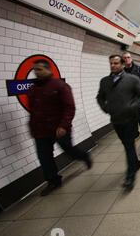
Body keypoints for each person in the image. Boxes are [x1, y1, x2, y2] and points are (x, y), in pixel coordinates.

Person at [27, 59, 92, 196]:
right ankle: (53, 181)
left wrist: (63, 125)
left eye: (39, 69)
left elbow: (69, 107)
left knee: (68, 150)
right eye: (35, 70)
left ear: (48, 69)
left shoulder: (60, 86)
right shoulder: (33, 89)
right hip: (40, 130)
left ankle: (84, 156)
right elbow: (33, 109)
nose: (36, 72)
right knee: (44, 157)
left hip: (59, 128)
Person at [96, 55, 140, 188]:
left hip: (130, 118)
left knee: (129, 145)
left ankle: (130, 177)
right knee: (126, 144)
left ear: (123, 65)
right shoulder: (105, 81)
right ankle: (135, 162)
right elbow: (100, 98)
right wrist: (106, 108)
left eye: (116, 63)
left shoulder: (132, 79)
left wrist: (132, 107)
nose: (113, 65)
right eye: (111, 63)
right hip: (116, 119)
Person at [122, 52, 140, 134]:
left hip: (138, 96)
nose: (127, 59)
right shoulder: (121, 71)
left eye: (128, 57)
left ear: (131, 59)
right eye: (125, 58)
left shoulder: (138, 69)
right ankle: (136, 132)